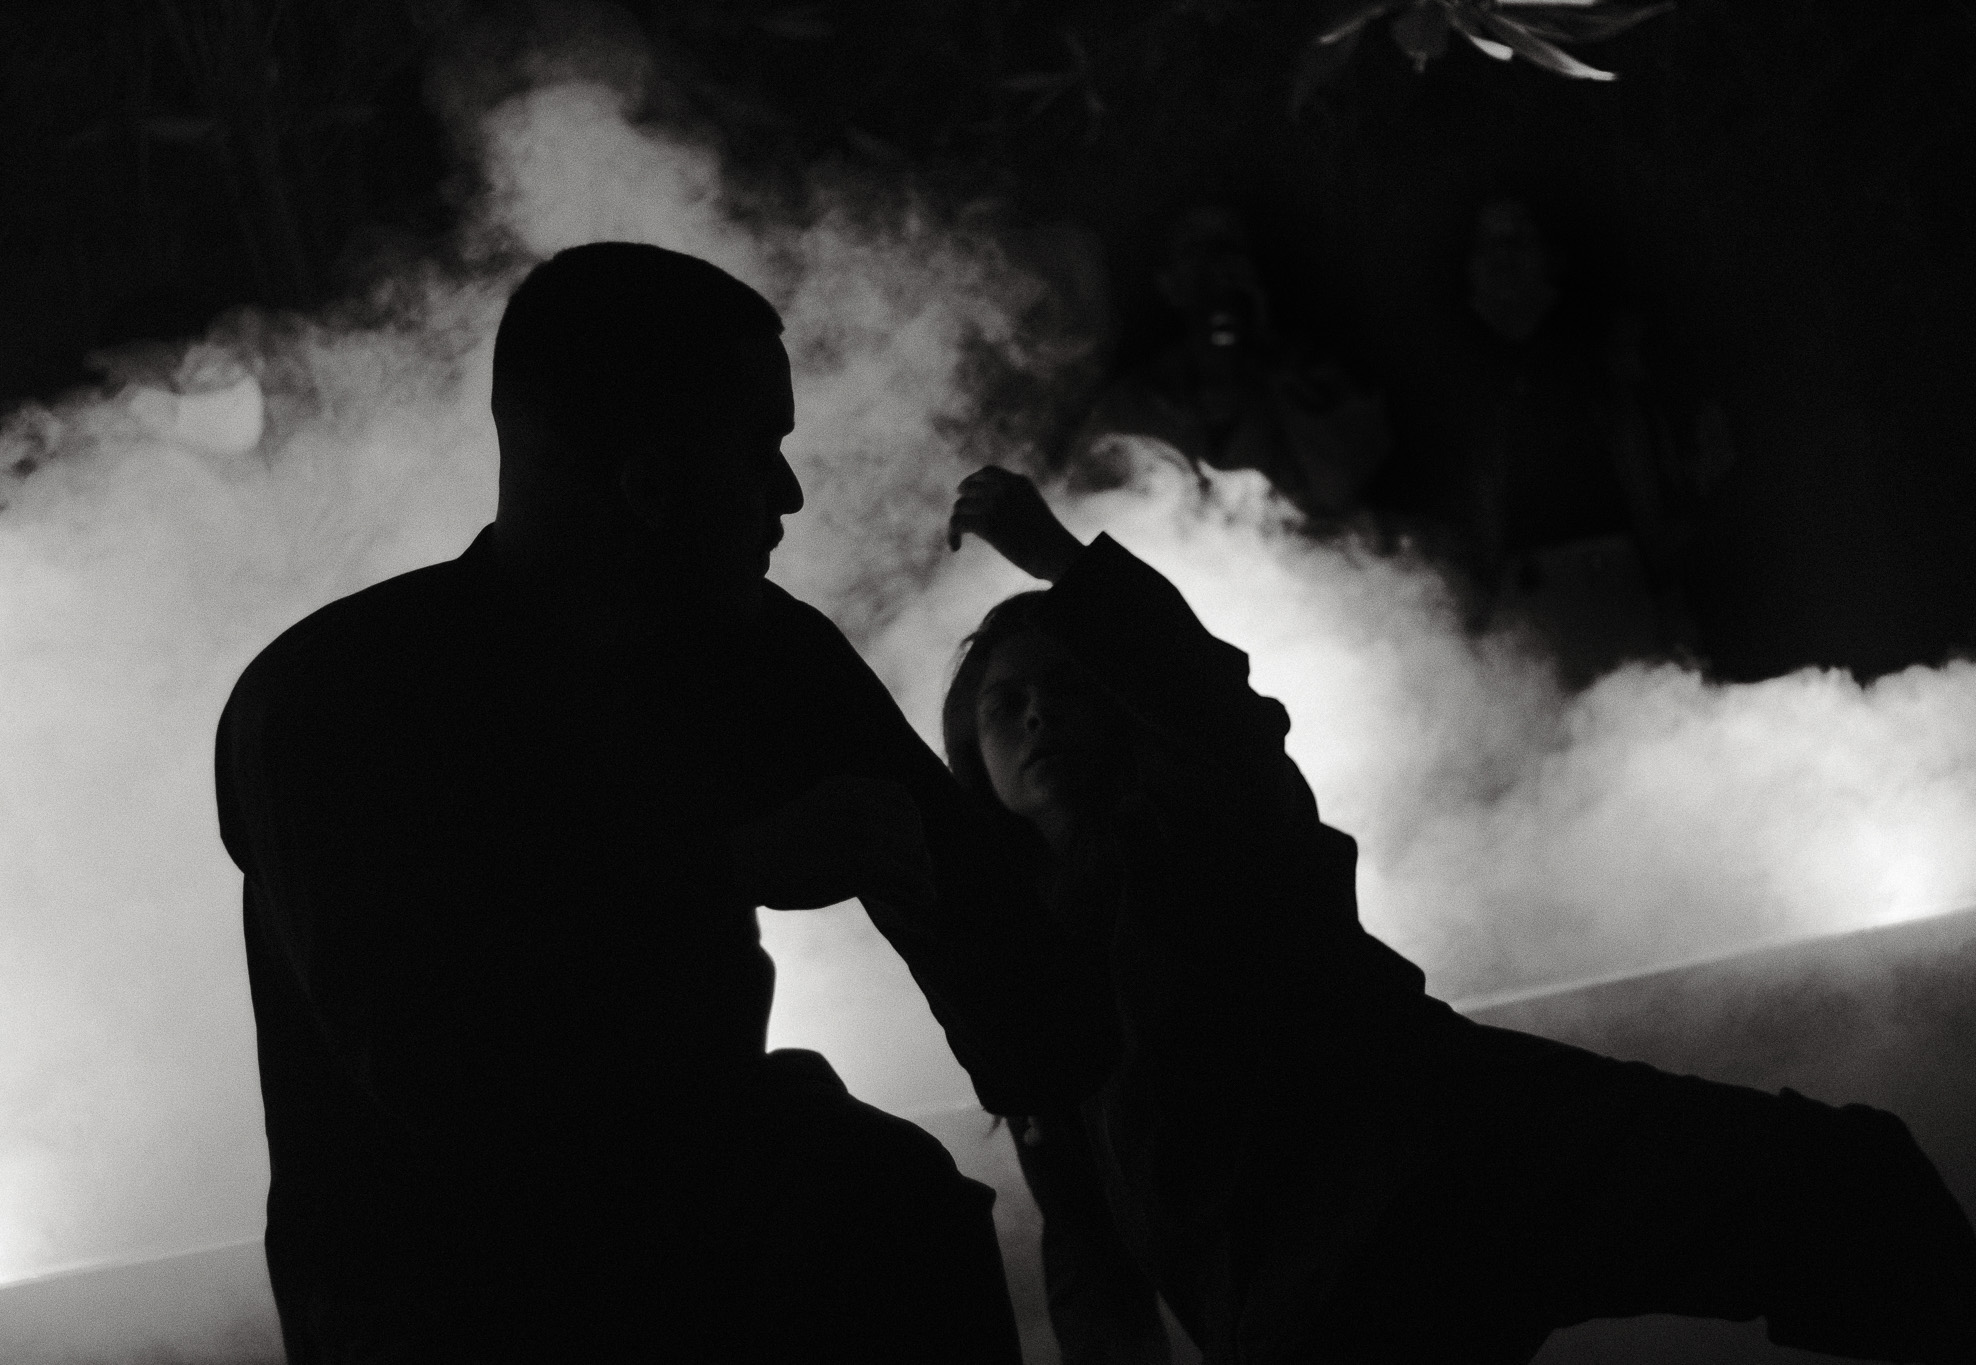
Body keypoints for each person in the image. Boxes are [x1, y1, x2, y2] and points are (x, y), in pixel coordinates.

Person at [214, 244, 1107, 1364]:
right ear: (646, 481)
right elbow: (439, 1064)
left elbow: (1029, 1004)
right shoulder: (338, 703)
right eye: (759, 448)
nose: (787, 493)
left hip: (706, 1260)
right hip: (455, 1311)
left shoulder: (764, 658)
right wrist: (723, 869)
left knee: (893, 1204)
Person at [943, 462, 1976, 1364]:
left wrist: (1065, 564)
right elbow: (1087, 1254)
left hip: (1466, 1152)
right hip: (1321, 1291)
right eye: (1005, 703)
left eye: (1065, 687)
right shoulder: (1021, 970)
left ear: (1118, 707)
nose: (1037, 714)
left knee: (1843, 1181)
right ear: (972, 754)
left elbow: (1219, 719)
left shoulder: (1205, 819)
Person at [1066, 207, 1391, 531]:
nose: (1219, 275)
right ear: (1169, 284)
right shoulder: (1131, 404)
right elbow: (1085, 511)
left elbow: (1340, 489)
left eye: (1229, 255)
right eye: (1197, 257)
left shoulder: (1309, 386)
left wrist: (1276, 365)